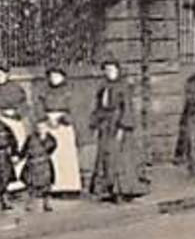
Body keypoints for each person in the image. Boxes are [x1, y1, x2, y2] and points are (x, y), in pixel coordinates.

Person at [88, 57, 148, 203]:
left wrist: (122, 127)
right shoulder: (103, 87)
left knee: (119, 158)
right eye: (106, 70)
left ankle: (121, 190)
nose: (109, 72)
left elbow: (127, 108)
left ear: (117, 70)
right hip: (106, 125)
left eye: (112, 69)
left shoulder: (124, 87)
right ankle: (106, 189)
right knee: (104, 156)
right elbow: (98, 107)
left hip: (117, 124)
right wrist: (95, 123)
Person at [37, 67, 83, 195]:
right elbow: (39, 106)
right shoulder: (44, 91)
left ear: (63, 76)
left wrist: (63, 118)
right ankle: (52, 185)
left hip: (63, 125)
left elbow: (75, 107)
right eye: (51, 76)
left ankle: (69, 186)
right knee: (51, 155)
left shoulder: (70, 90)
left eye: (57, 75)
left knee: (66, 156)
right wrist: (45, 118)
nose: (54, 78)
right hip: (48, 123)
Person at [19, 118, 58, 212]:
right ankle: (30, 203)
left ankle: (47, 203)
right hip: (32, 164)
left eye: (43, 127)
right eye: (39, 127)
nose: (41, 129)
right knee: (31, 185)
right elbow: (24, 150)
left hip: (44, 164)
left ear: (47, 128)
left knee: (46, 185)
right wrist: (19, 157)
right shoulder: (30, 138)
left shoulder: (51, 139)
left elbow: (52, 148)